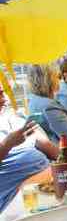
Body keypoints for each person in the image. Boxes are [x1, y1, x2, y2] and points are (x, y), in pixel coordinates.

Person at [0, 85, 57, 213]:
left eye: (3, 93)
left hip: (50, 180)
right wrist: (7, 144)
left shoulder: (11, 118)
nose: (5, 99)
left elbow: (46, 145)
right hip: (19, 196)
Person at [28, 64, 67, 142]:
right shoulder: (49, 106)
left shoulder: (34, 101)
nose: (60, 81)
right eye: (57, 77)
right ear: (48, 80)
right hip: (65, 149)